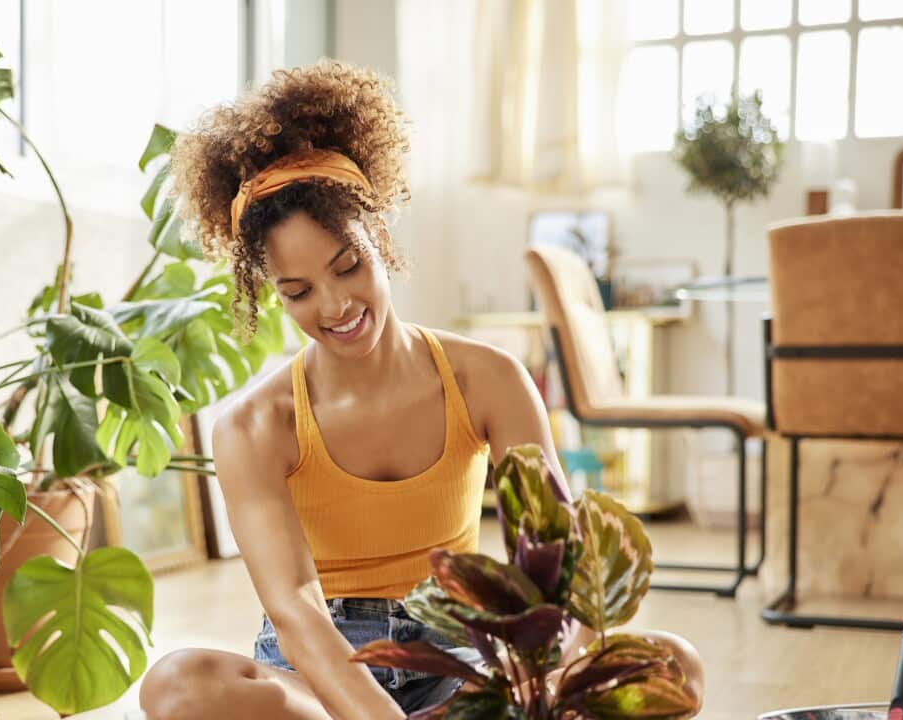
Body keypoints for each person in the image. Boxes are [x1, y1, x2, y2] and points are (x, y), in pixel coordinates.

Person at [139, 61, 703, 720]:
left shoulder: (486, 379)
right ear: (272, 292)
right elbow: (295, 609)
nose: (335, 305)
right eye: (298, 292)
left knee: (672, 666)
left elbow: (556, 566)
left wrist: (541, 691)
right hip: (319, 676)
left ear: (379, 236)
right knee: (177, 685)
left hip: (461, 660)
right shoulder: (253, 425)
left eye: (347, 266)